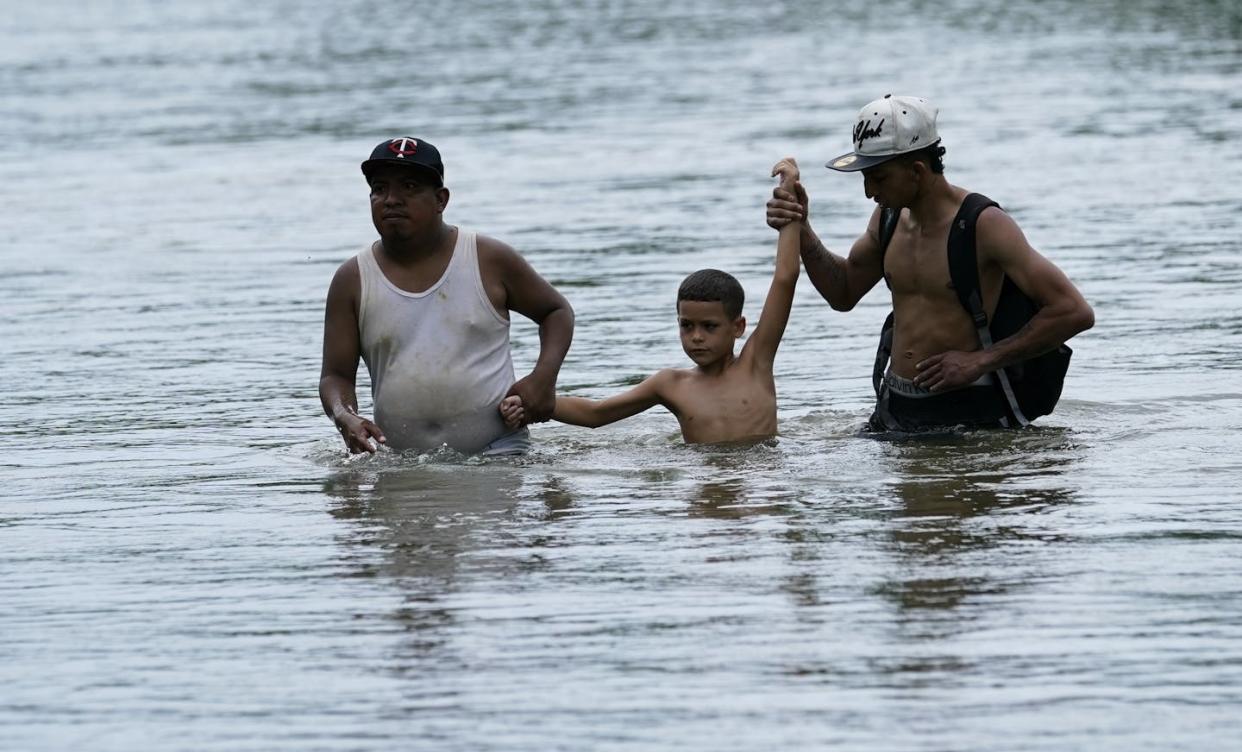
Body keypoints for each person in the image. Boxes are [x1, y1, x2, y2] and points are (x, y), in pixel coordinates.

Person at [766, 95, 1094, 432]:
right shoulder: (888, 217)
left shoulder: (984, 225)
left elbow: (1073, 311)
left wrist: (980, 361)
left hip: (968, 413)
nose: (867, 191)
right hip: (894, 409)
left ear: (917, 171)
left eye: (878, 177)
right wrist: (802, 229)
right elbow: (843, 292)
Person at [501, 158, 804, 445]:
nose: (696, 337)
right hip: (705, 489)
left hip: (759, 482)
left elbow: (785, 277)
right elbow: (596, 414)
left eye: (709, 327)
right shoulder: (670, 385)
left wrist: (788, 200)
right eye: (687, 326)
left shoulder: (756, 363)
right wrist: (531, 404)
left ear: (738, 327)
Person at [319, 136, 574, 455]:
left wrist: (543, 379)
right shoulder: (352, 279)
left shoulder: (488, 259)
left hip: (498, 452)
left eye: (409, 187)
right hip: (400, 463)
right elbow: (335, 376)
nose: (391, 200)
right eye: (380, 189)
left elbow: (556, 312)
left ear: (441, 199)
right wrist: (346, 417)